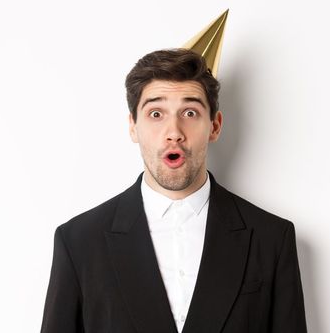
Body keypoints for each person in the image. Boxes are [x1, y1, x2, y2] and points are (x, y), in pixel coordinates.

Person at [39, 48, 307, 333]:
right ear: (133, 126)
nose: (174, 131)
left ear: (214, 126)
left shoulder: (271, 239)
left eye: (190, 112)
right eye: (156, 113)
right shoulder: (79, 241)